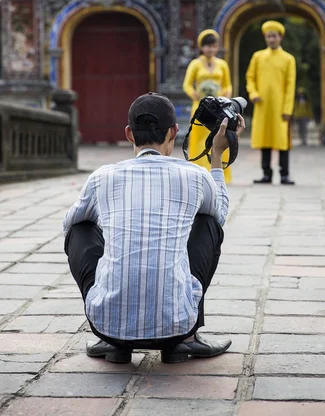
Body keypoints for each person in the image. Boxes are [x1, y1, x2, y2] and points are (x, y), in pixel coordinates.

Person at [63, 92, 245, 365]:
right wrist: (217, 154)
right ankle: (186, 340)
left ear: (128, 134)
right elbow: (218, 216)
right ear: (174, 132)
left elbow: (69, 223)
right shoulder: (195, 175)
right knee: (208, 222)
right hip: (177, 324)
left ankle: (112, 342)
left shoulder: (102, 177)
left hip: (108, 326)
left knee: (80, 226)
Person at [246, 20, 296, 185]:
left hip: (280, 107)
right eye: (269, 36)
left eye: (274, 36)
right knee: (264, 140)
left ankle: (284, 174)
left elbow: (290, 86)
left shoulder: (288, 59)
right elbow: (250, 77)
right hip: (263, 106)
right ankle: (266, 173)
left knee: (282, 141)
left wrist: (287, 109)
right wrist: (253, 93)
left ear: (280, 37)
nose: (271, 39)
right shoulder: (258, 57)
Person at [183, 29, 233, 183]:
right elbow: (187, 85)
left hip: (218, 108)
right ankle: (197, 171)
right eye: (207, 46)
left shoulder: (222, 64)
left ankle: (219, 171)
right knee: (198, 138)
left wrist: (226, 96)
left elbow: (228, 84)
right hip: (201, 107)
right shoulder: (195, 64)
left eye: (213, 46)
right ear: (201, 47)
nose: (210, 49)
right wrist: (194, 95)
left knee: (218, 137)